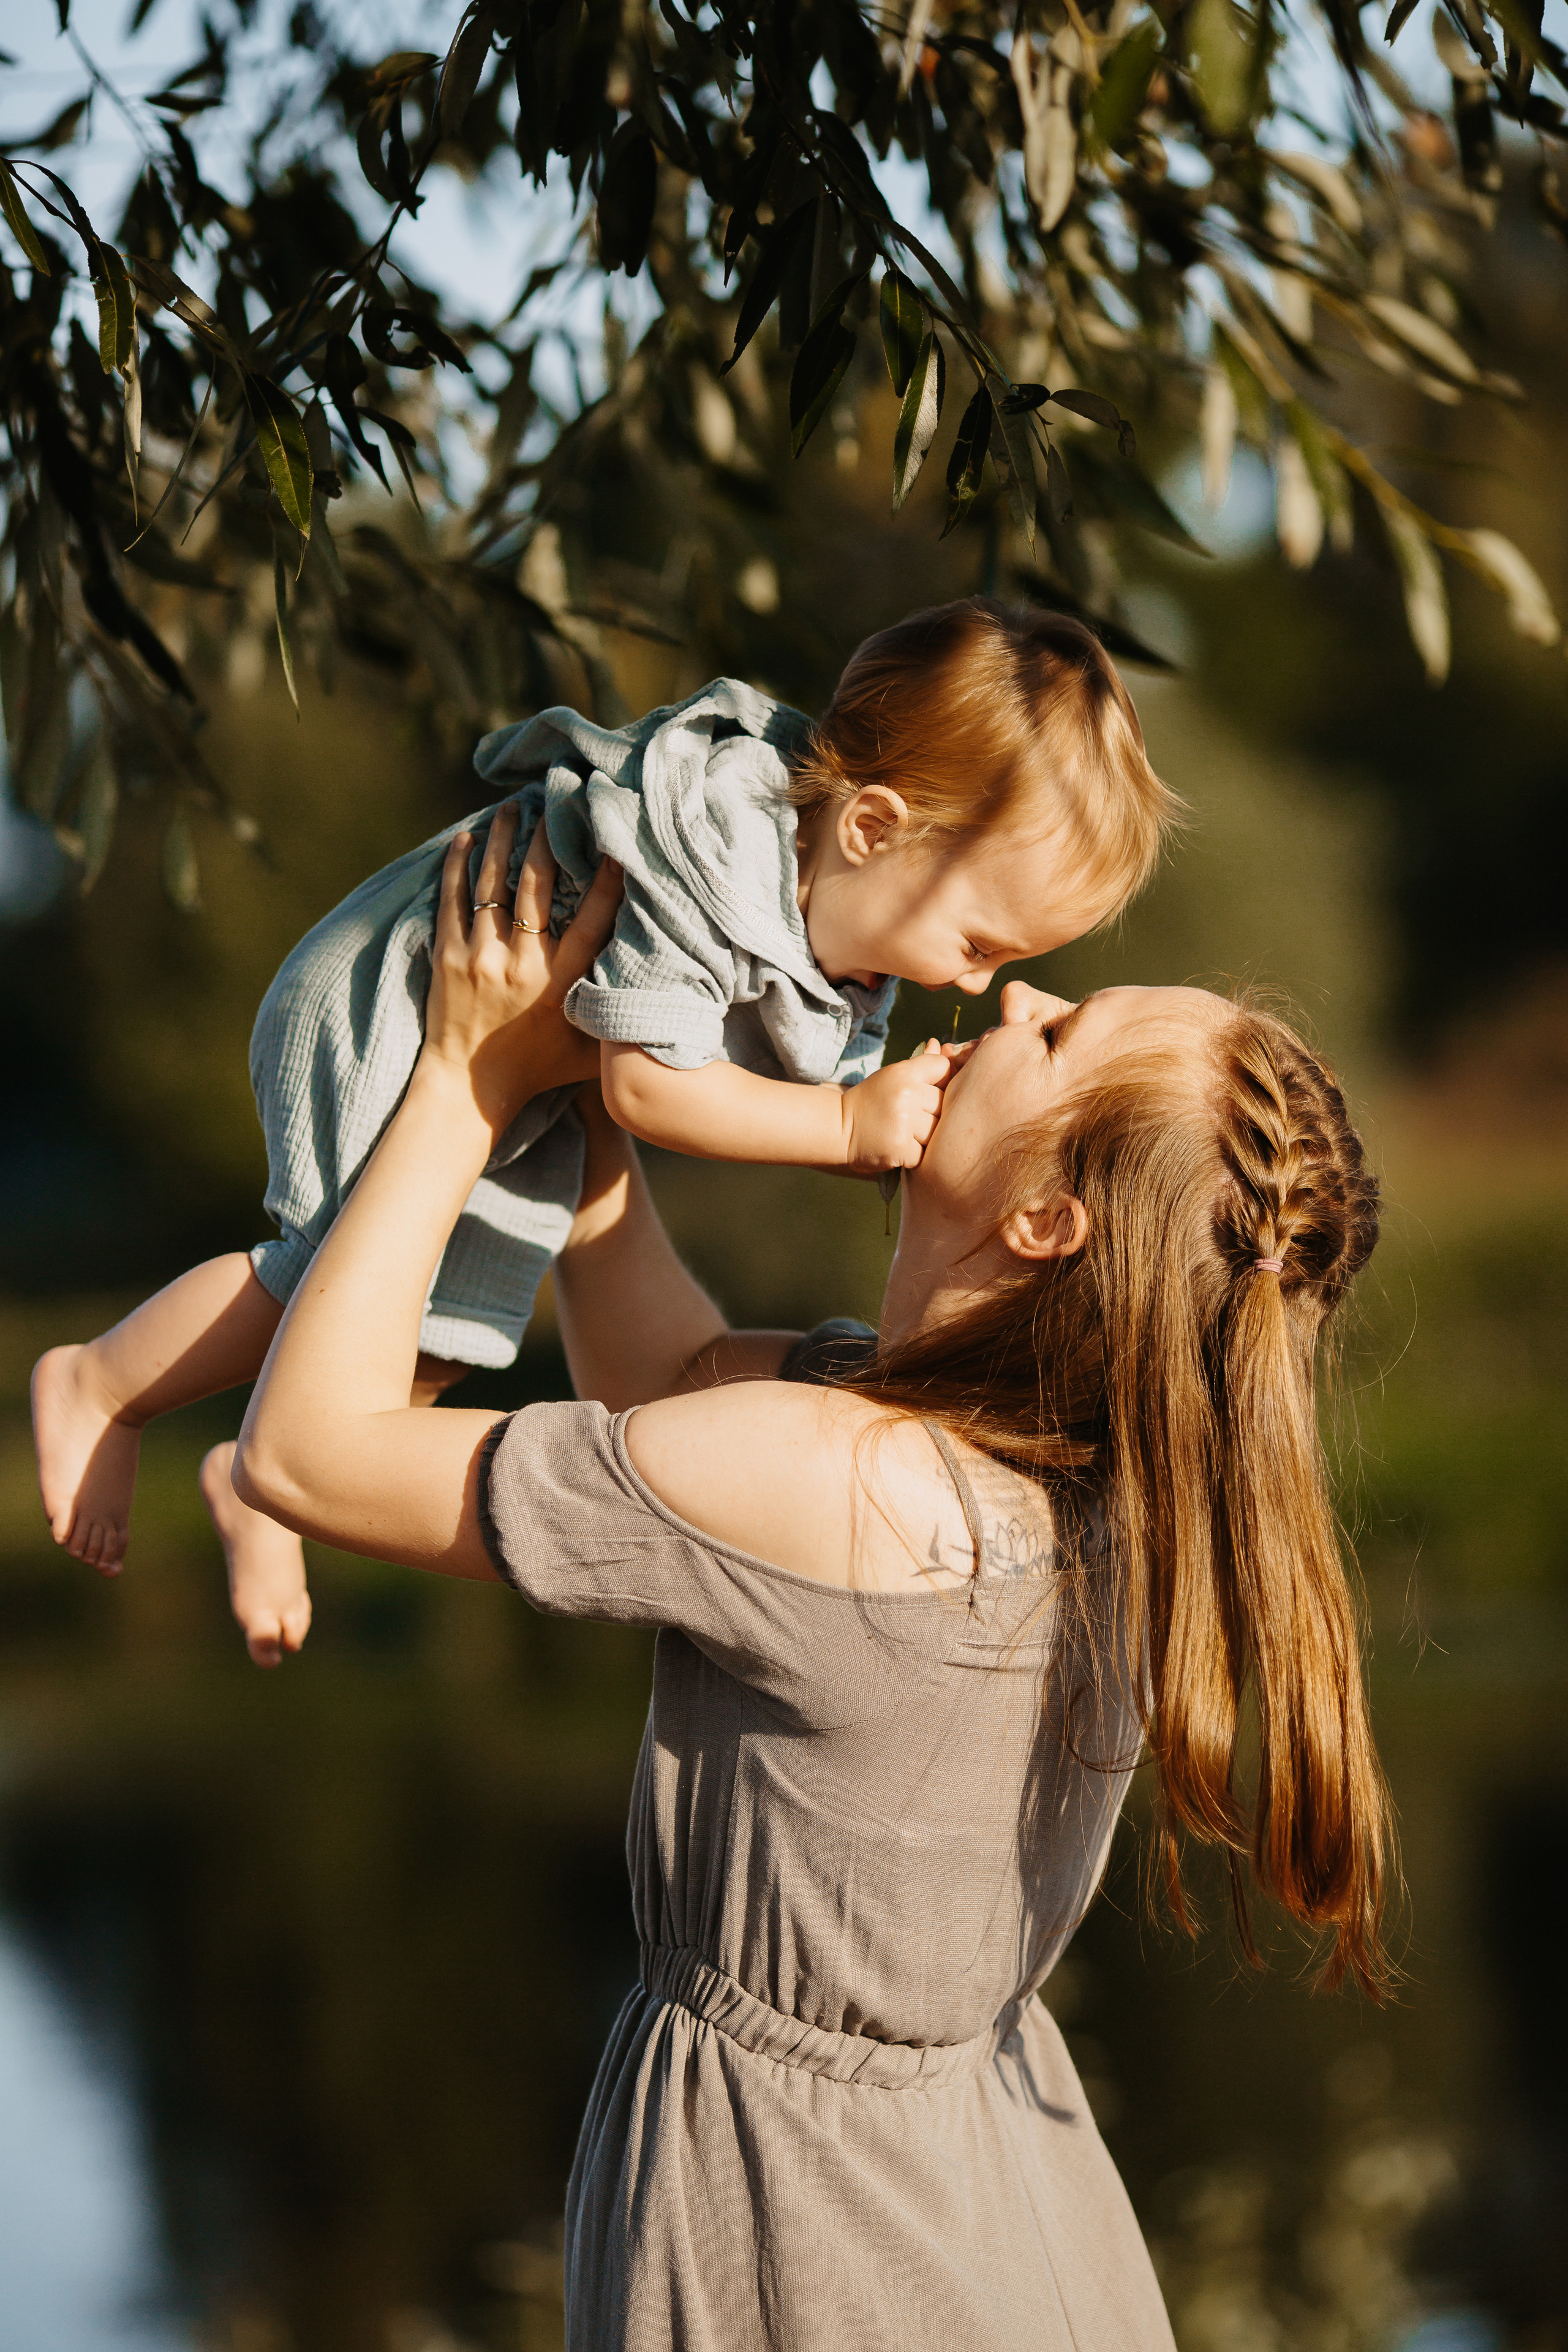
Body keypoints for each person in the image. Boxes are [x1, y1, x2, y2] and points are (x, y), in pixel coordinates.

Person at [228, 809, 1390, 2351]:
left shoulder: (847, 1483)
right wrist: (602, 1088)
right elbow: (673, 1383)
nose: (1014, 1000)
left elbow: (306, 1458)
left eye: (1060, 1035)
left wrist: (461, 1080)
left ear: (1048, 1218)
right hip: (978, 2191)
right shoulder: (1039, 1468)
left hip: (814, 2230)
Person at [31, 601, 1180, 1664]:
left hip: (514, 1068)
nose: (978, 990)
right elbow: (642, 1090)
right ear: (874, 828)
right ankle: (100, 1382)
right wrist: (839, 1122)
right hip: (405, 999)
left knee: (451, 1325)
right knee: (321, 1278)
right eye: (981, 947)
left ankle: (256, 1479)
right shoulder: (716, 855)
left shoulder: (835, 902)